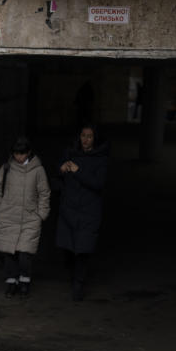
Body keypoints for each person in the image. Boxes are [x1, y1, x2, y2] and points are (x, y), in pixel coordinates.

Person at [0, 136, 51, 299]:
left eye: (22, 153)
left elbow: (44, 193)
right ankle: (12, 282)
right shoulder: (7, 168)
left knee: (25, 254)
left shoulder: (38, 170)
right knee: (9, 253)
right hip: (8, 216)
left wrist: (41, 215)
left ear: (29, 152)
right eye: (16, 153)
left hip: (30, 218)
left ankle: (24, 281)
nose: (19, 157)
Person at [56, 124, 110, 301]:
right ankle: (73, 277)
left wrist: (78, 171)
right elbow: (58, 179)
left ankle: (78, 284)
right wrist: (62, 170)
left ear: (95, 139)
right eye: (83, 135)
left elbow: (98, 184)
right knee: (69, 249)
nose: (85, 139)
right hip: (69, 209)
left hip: (89, 211)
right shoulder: (70, 153)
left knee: (82, 250)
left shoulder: (100, 159)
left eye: (89, 136)